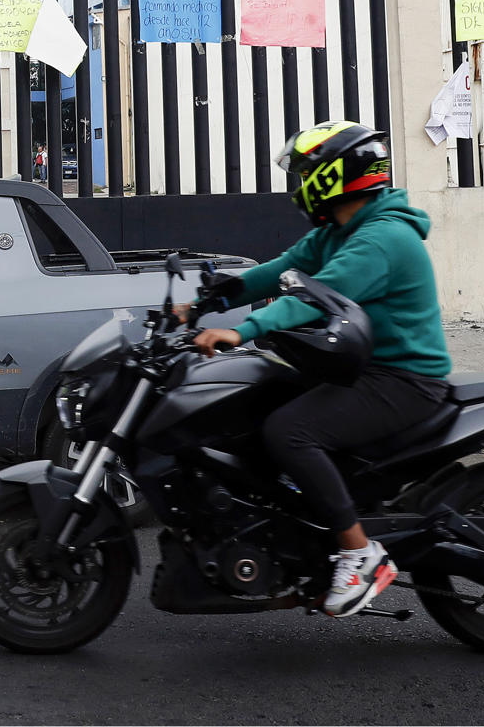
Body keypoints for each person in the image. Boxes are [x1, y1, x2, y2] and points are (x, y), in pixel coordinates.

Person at [184, 121, 452, 618]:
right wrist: (207, 299)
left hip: (403, 379)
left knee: (291, 432)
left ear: (335, 175)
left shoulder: (382, 239)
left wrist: (240, 331)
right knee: (260, 395)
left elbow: (311, 297)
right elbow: (279, 269)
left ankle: (360, 553)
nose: (297, 183)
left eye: (304, 172)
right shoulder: (337, 231)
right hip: (358, 370)